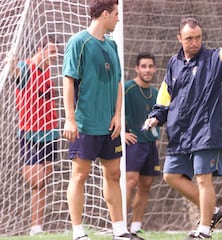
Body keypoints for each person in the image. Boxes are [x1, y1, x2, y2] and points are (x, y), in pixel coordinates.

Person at [144, 17, 222, 240]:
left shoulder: (213, 58)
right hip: (180, 132)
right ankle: (211, 212)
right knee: (170, 175)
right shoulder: (173, 64)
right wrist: (156, 116)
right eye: (189, 38)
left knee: (203, 178)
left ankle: (204, 230)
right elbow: (166, 94)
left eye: (198, 37)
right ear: (179, 38)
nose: (195, 42)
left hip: (207, 130)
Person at [62, 1, 140, 240]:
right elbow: (68, 81)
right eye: (116, 14)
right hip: (85, 124)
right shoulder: (79, 42)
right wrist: (70, 119)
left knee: (114, 174)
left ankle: (119, 231)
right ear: (105, 14)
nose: (118, 19)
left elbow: (117, 82)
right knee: (80, 175)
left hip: (110, 126)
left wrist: (118, 115)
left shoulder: (112, 45)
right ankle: (78, 233)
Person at [9, 36, 58, 236]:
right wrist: (12, 65)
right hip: (29, 134)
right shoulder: (26, 67)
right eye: (52, 52)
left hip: (50, 134)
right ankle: (33, 226)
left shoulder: (47, 72)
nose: (55, 57)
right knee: (35, 180)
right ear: (41, 49)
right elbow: (16, 73)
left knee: (43, 183)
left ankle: (36, 228)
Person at [125, 52, 160, 239]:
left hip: (149, 143)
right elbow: (114, 110)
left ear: (154, 68)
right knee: (130, 181)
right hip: (133, 143)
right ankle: (120, 224)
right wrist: (122, 132)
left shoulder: (155, 93)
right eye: (143, 66)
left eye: (150, 66)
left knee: (146, 184)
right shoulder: (128, 88)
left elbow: (158, 118)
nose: (147, 70)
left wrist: (156, 136)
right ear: (136, 69)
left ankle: (136, 226)